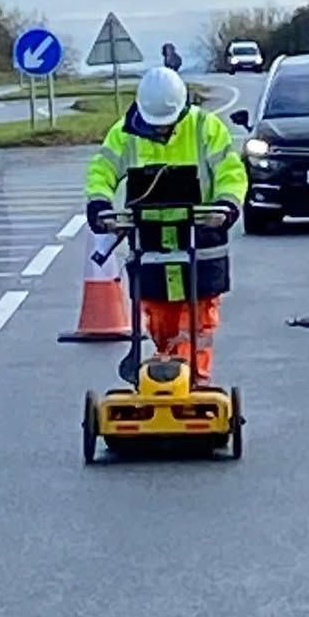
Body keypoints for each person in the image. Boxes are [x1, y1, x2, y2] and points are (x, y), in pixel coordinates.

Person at [85, 67, 246, 383]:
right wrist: (99, 203)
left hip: (201, 238)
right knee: (159, 316)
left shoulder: (205, 127)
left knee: (198, 317)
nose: (162, 131)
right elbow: (101, 169)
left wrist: (227, 204)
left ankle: (194, 380)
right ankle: (164, 373)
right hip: (151, 241)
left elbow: (231, 171)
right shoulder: (124, 133)